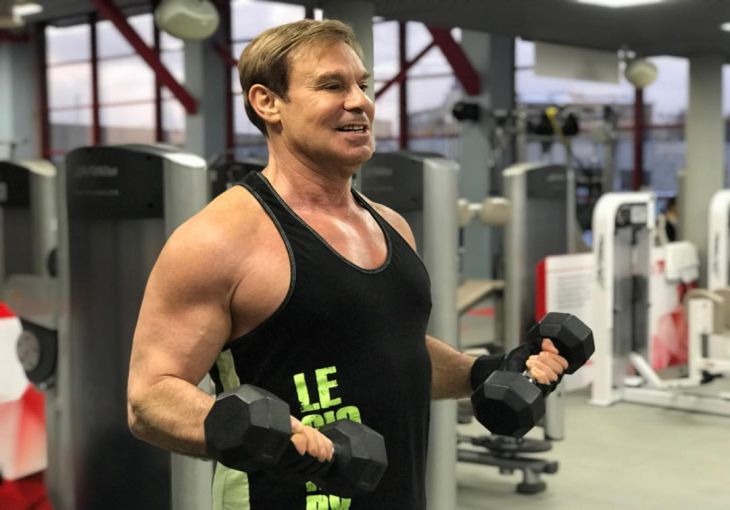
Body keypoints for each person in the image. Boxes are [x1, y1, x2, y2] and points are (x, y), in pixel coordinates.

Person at [126, 19, 568, 509]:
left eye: (362, 85)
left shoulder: (391, 226)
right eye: (332, 86)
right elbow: (150, 399)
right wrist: (272, 441)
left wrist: (482, 371)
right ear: (267, 102)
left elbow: (388, 352)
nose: (359, 102)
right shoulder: (218, 239)